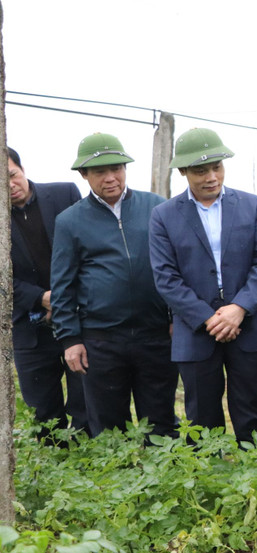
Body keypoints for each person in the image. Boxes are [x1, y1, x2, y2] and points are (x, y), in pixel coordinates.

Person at [149, 128, 257, 445]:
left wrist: (238, 309)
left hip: (247, 322)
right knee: (202, 414)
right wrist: (209, 318)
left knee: (253, 407)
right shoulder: (163, 216)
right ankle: (208, 481)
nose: (211, 177)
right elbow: (166, 277)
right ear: (182, 171)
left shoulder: (251, 205)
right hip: (196, 328)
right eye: (200, 170)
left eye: (216, 167)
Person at [51, 133, 178, 438]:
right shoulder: (70, 221)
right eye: (100, 172)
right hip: (102, 340)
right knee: (108, 427)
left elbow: (177, 266)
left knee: (160, 420)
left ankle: (165, 481)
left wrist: (177, 316)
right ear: (84, 175)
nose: (111, 178)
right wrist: (70, 339)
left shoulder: (156, 208)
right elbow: (62, 285)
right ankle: (116, 482)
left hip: (155, 334)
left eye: (117, 169)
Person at [9, 147, 88, 442]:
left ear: (22, 168)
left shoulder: (65, 194)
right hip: (29, 326)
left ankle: (91, 468)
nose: (10, 185)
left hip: (79, 319)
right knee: (43, 412)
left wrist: (66, 299)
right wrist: (43, 297)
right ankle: (52, 471)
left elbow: (88, 249)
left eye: (12, 175)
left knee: (87, 402)